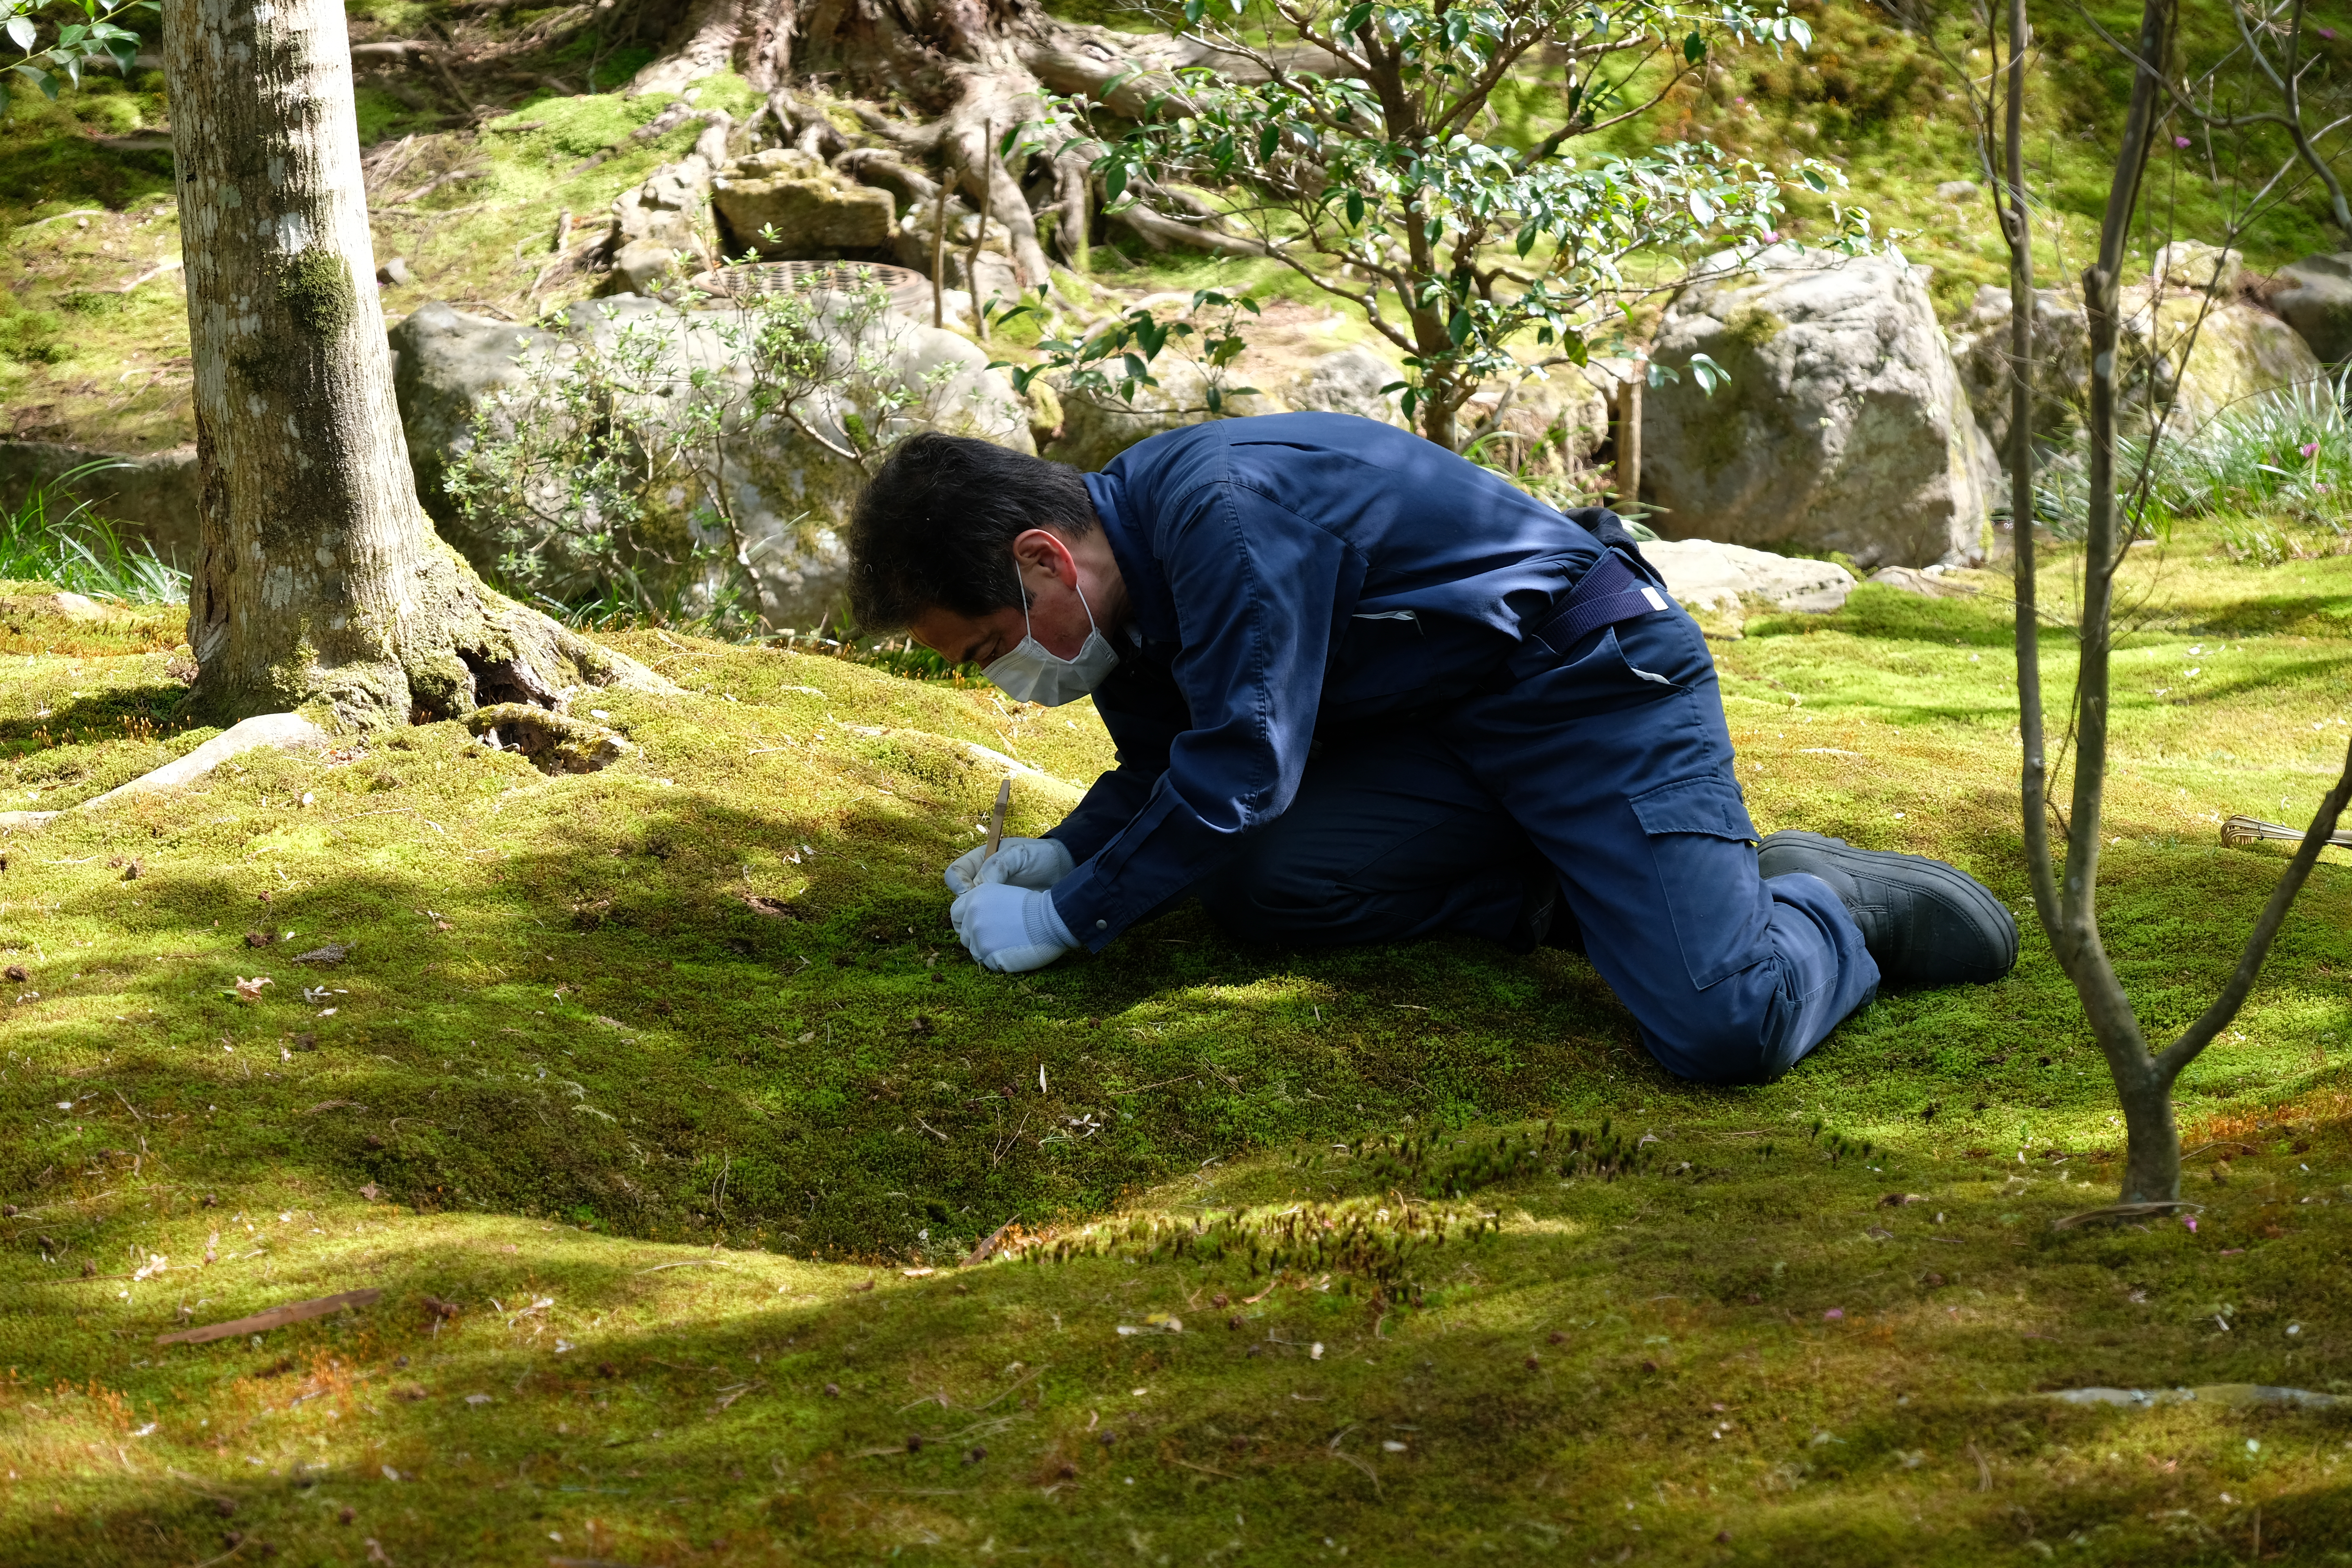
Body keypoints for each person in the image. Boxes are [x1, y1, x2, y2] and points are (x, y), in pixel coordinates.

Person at [846, 414, 2016, 1084]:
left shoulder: (1227, 520)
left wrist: (1073, 917)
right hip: (1436, 731)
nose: (1004, 673)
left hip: (1590, 689)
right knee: (1261, 884)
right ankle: (1609, 891)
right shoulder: (1127, 594)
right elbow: (1173, 766)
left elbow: (1243, 767)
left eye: (994, 641)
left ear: (1046, 559)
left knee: (1722, 1029)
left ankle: (1825, 909)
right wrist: (1064, 852)